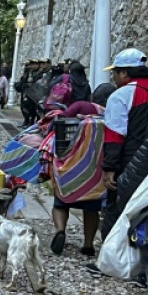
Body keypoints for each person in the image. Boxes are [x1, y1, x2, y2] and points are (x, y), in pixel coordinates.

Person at [50, 83, 116, 257]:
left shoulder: (81, 106)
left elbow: (60, 123)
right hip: (94, 171)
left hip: (71, 164)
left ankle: (60, 231)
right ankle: (88, 244)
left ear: (93, 97)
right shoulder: (113, 115)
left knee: (61, 202)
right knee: (91, 208)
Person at [100, 48, 148, 238]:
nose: (114, 77)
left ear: (124, 72)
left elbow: (115, 135)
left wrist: (109, 168)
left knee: (116, 209)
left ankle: (110, 259)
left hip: (127, 161)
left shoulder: (121, 95)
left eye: (115, 72)